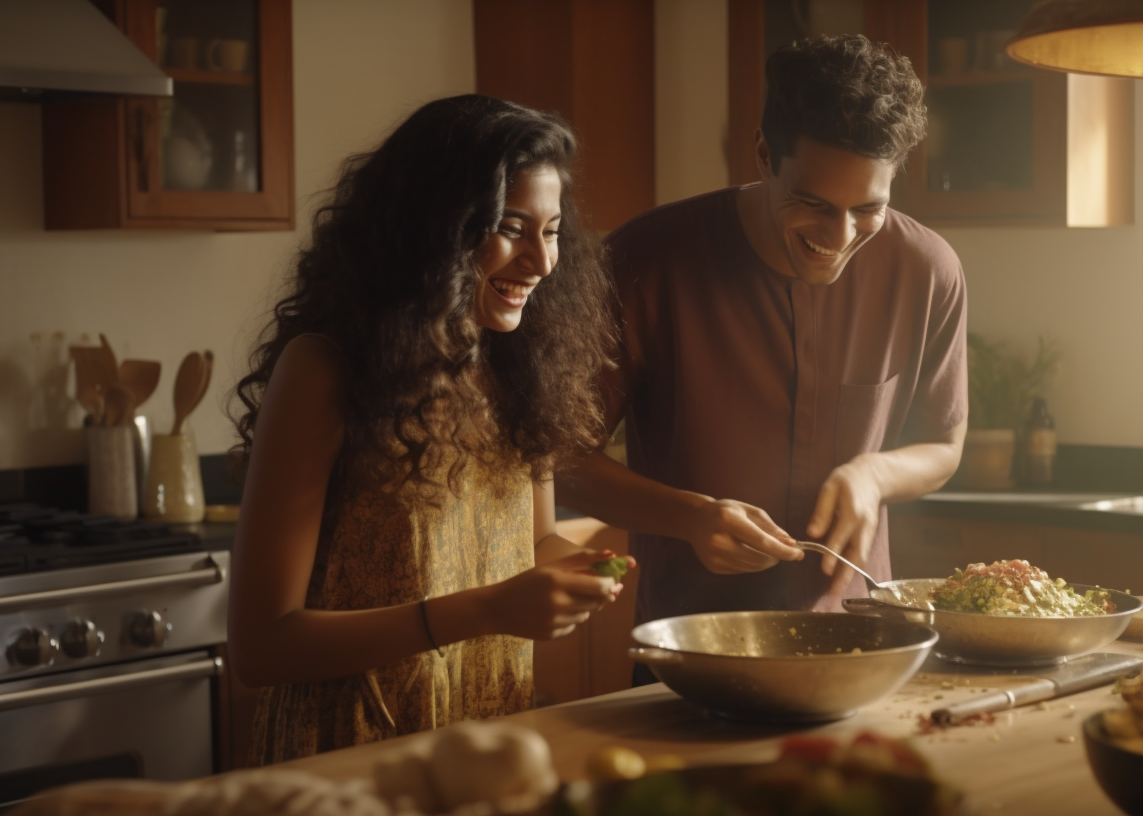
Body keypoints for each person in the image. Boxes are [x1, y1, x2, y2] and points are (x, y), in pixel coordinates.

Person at [228, 94, 629, 763]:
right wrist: (488, 611)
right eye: (510, 226)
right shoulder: (326, 370)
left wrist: (580, 573)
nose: (541, 261)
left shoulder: (518, 370)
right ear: (434, 229)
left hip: (484, 749)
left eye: (552, 230)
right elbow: (262, 645)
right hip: (351, 765)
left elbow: (534, 546)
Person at [557, 34, 967, 679]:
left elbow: (945, 444)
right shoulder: (645, 262)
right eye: (813, 204)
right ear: (762, 154)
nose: (839, 237)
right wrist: (689, 518)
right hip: (688, 650)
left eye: (869, 209)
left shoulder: (927, 270)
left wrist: (874, 475)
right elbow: (558, 456)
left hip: (867, 647)